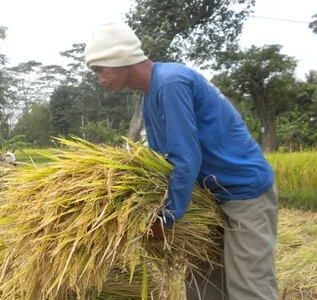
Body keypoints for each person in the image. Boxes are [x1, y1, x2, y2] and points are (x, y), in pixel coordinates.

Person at [84, 23, 279, 300]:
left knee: (249, 287)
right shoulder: (148, 98)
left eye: (99, 69)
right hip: (209, 197)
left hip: (243, 191)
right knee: (203, 288)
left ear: (118, 58)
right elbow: (161, 160)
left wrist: (167, 217)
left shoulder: (171, 81)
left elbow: (186, 157)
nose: (99, 79)